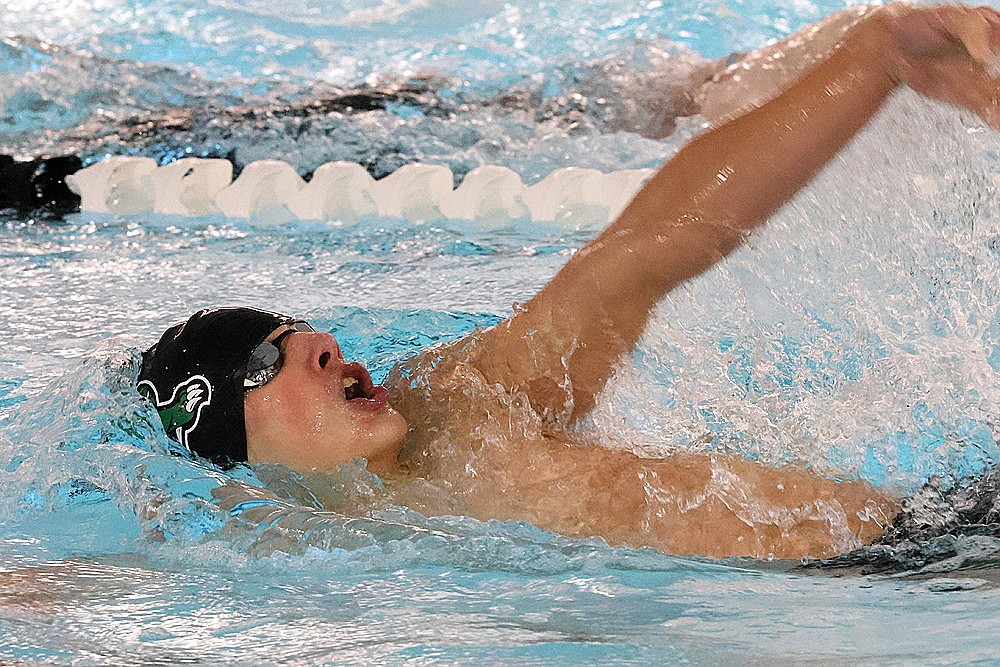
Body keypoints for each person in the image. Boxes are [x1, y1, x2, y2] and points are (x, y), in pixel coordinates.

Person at [137, 3, 1000, 559]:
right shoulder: (268, 546)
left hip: (935, 547)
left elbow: (649, 249)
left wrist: (873, 58)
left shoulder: (462, 404)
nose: (320, 343)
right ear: (226, 445)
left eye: (297, 330)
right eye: (264, 361)